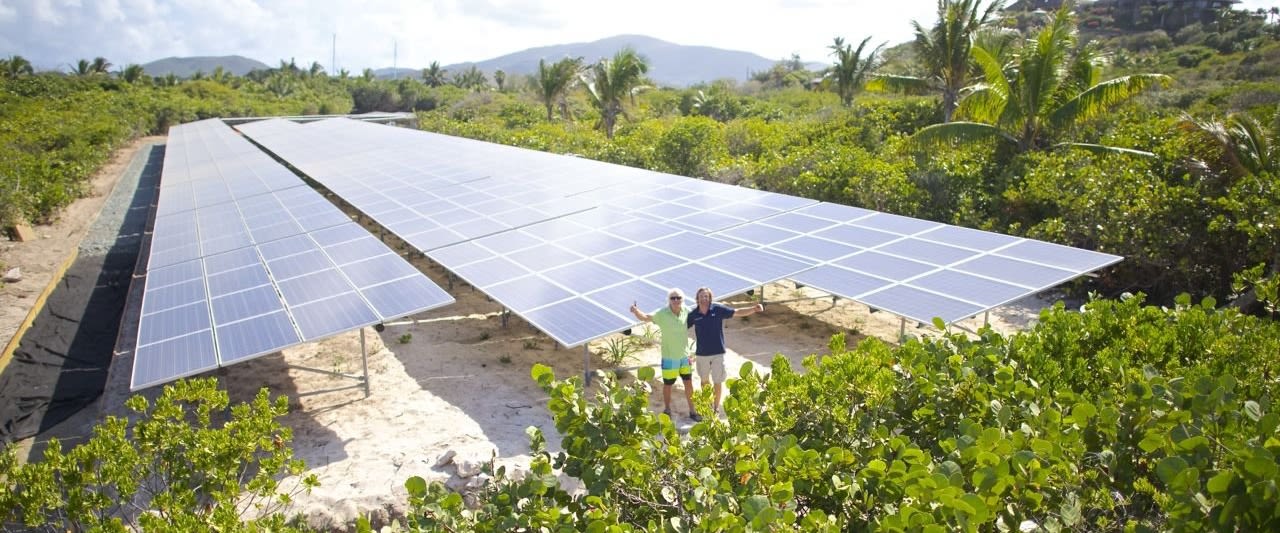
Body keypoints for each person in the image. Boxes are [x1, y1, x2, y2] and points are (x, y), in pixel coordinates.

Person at [686, 287, 762, 415]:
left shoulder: (717, 309)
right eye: (701, 296)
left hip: (717, 353)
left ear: (710, 298)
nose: (704, 298)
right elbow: (681, 328)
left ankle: (715, 408)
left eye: (706, 296)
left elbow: (737, 312)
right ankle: (707, 404)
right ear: (697, 299)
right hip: (701, 354)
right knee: (704, 380)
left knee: (717, 381)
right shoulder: (693, 315)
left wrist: (753, 309)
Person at [629, 288, 701, 422]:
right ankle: (667, 409)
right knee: (668, 385)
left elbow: (700, 318)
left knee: (689, 384)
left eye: (678, 297)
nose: (676, 300)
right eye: (673, 298)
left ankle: (692, 411)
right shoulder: (662, 314)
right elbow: (645, 318)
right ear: (669, 300)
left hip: (685, 357)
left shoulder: (686, 311)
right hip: (669, 358)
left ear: (682, 299)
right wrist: (636, 311)